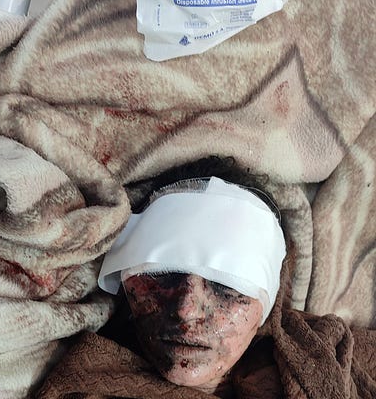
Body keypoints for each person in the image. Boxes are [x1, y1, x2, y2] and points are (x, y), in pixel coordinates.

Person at [36, 157, 376, 399]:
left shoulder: (336, 354)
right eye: (160, 274)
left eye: (227, 286)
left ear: (268, 305)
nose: (186, 310)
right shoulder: (81, 386)